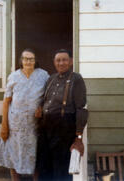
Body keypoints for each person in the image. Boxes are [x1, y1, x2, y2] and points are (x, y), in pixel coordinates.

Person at [0, 49, 49, 181]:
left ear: (35, 61)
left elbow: (49, 97)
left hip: (34, 124)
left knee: (35, 154)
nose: (28, 61)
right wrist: (4, 126)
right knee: (14, 154)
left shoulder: (43, 75)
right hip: (16, 124)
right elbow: (6, 101)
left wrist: (42, 108)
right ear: (21, 61)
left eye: (31, 59)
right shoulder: (13, 77)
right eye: (25, 59)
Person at [37, 49, 88, 181]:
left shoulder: (76, 79)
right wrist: (40, 109)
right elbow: (46, 101)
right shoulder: (51, 79)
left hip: (64, 131)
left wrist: (78, 138)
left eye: (64, 60)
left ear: (70, 62)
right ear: (54, 63)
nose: (61, 63)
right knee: (44, 168)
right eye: (58, 60)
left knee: (61, 171)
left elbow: (81, 109)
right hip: (46, 130)